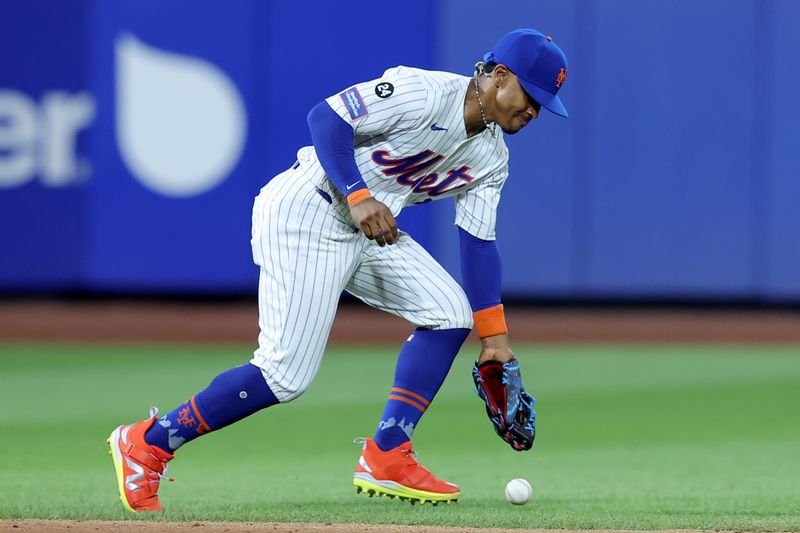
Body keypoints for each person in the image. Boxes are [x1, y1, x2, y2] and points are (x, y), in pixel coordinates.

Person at [107, 28, 568, 512]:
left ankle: (388, 453)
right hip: (310, 209)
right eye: (532, 96)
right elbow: (326, 117)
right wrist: (358, 193)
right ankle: (149, 443)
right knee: (284, 375)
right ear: (499, 77)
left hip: (371, 230)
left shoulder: (492, 157)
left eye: (544, 104)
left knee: (452, 314)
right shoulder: (425, 92)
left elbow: (478, 243)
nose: (535, 110)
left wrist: (494, 338)